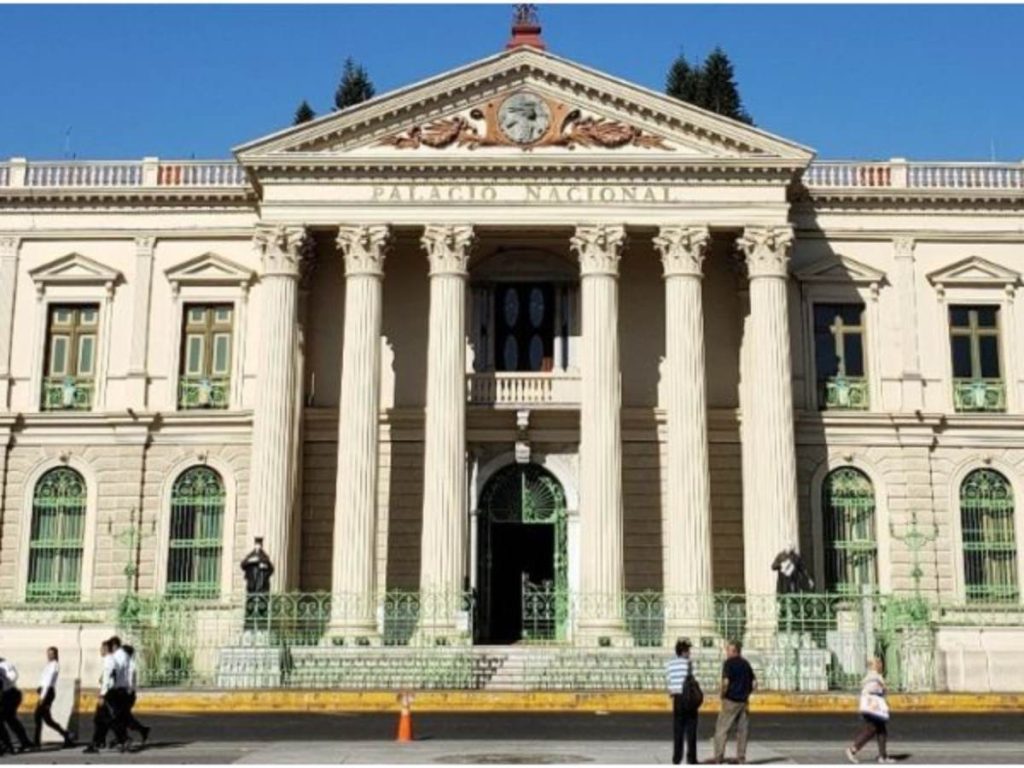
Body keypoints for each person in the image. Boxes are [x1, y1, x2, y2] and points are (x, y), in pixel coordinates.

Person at [712, 641, 757, 764]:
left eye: (728, 650)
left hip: (731, 700)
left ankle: (718, 757)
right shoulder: (746, 664)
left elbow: (726, 682)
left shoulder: (728, 663)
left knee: (721, 729)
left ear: (734, 651)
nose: (726, 652)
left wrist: (722, 694)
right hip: (743, 702)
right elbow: (754, 683)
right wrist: (747, 693)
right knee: (742, 731)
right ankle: (741, 758)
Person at [846, 657, 895, 764]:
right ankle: (852, 750)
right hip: (872, 708)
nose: (881, 664)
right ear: (872, 666)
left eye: (880, 662)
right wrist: (883, 689)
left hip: (874, 708)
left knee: (881, 730)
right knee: (871, 730)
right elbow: (869, 691)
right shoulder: (874, 677)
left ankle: (882, 756)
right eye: (878, 663)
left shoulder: (875, 677)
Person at [665, 639, 699, 765]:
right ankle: (691, 758)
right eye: (688, 651)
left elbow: (669, 681)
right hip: (688, 699)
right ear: (684, 652)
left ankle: (676, 758)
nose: (690, 653)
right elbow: (694, 681)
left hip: (677, 699)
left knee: (678, 730)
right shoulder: (688, 664)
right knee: (691, 729)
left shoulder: (669, 664)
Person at [33, 647, 73, 748]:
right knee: (47, 720)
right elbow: (43, 680)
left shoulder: (54, 665)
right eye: (48, 653)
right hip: (45, 692)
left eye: (52, 653)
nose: (49, 655)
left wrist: (43, 696)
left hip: (47, 693)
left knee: (39, 717)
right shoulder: (49, 665)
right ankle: (66, 735)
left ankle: (36, 742)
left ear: (56, 654)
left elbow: (48, 682)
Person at [0, 657, 32, 753]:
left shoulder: (5, 665)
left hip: (10, 694)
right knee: (11, 719)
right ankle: (24, 741)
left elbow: (13, 676)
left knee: (5, 719)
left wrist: (6, 681)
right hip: (7, 695)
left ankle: (7, 745)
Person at [121, 645, 150, 746]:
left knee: (122, 717)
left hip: (127, 694)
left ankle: (123, 738)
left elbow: (129, 682)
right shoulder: (124, 664)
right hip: (124, 693)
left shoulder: (131, 666)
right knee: (124, 717)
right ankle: (142, 730)